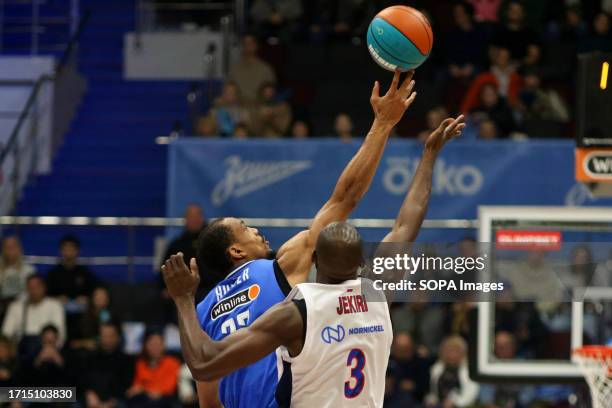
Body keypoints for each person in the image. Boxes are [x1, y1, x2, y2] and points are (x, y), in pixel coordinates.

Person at [161, 108, 465, 407]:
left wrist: (183, 299)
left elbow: (208, 393)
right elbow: (388, 219)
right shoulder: (311, 279)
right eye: (245, 227)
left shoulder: (209, 311)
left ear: (316, 260)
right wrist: (417, 148)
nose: (254, 229)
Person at [2, 275, 66, 351]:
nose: (34, 291)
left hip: (47, 349)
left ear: (44, 288)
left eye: (37, 287)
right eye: (30, 288)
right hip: (21, 350)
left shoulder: (55, 305)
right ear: (26, 290)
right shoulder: (15, 307)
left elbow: (61, 335)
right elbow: (6, 334)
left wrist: (50, 350)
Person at [82, 322, 133, 408]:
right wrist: (88, 393)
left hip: (115, 402)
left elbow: (126, 387)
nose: (107, 339)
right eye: (104, 335)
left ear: (118, 337)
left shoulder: (126, 360)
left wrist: (109, 404)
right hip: (91, 401)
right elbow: (81, 380)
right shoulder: (88, 357)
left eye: (111, 335)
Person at [126, 329, 181, 407]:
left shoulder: (172, 363)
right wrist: (142, 390)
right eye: (152, 344)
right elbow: (136, 387)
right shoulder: (140, 363)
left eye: (158, 344)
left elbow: (168, 389)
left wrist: (144, 389)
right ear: (145, 345)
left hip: (164, 401)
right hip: (144, 400)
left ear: (164, 345)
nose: (155, 347)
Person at [425, 335, 479, 408]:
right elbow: (434, 391)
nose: (452, 354)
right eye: (449, 350)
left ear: (463, 353)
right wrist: (431, 399)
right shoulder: (436, 368)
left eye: (456, 351)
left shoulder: (469, 371)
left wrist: (455, 403)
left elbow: (471, 395)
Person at [46, 235, 98, 305]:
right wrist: (56, 299)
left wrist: (87, 298)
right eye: (65, 249)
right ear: (61, 251)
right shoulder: (52, 274)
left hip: (82, 312)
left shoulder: (85, 273)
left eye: (71, 249)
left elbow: (96, 292)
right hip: (57, 312)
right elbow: (45, 296)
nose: (68, 253)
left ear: (77, 251)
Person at [228, 35, 277, 104]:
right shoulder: (234, 69)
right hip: (239, 108)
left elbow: (270, 94)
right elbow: (228, 92)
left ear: (256, 46)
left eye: (250, 44)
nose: (247, 47)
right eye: (244, 44)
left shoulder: (265, 69)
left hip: (260, 108)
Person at [0, 235, 35, 316]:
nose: (10, 251)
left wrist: (15, 304)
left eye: (12, 247)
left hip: (21, 308)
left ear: (19, 249)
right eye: (7, 247)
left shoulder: (29, 270)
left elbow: (30, 293)